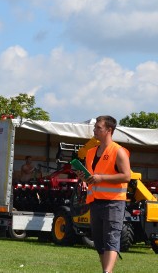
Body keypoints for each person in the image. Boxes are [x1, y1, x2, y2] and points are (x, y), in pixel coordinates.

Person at [76, 115, 131, 273]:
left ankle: (107, 272)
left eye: (98, 128)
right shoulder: (91, 152)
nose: (94, 130)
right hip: (95, 201)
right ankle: (107, 271)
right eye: (95, 127)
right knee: (99, 242)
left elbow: (126, 176)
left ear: (109, 130)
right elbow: (92, 176)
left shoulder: (119, 151)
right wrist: (84, 177)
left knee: (111, 238)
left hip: (114, 202)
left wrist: (101, 178)